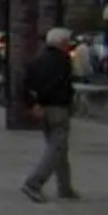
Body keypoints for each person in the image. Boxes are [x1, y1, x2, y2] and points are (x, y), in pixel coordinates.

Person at [21, 30, 81, 203]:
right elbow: (60, 84)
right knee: (56, 149)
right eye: (66, 42)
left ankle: (65, 187)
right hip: (57, 107)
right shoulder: (62, 61)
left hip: (42, 109)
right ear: (61, 42)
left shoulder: (37, 61)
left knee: (59, 148)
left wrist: (34, 104)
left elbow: (25, 84)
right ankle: (34, 183)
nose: (68, 46)